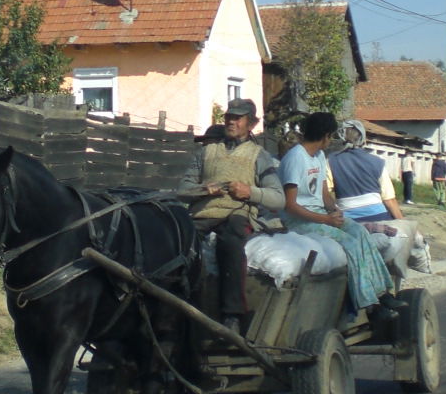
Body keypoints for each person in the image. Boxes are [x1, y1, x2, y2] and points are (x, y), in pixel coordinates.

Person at [279, 111, 393, 326]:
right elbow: (290, 205)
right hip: (300, 221)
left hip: (321, 216)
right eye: (330, 136)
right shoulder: (295, 158)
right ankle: (369, 304)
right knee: (348, 243)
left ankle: (383, 291)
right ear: (325, 136)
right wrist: (325, 220)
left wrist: (335, 210)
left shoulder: (320, 157)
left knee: (360, 232)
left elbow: (323, 193)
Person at [181, 98, 284, 331]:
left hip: (236, 213)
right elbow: (181, 190)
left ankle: (232, 314)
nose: (231, 121)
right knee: (178, 243)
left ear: (251, 124)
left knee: (230, 242)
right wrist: (201, 189)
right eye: (229, 117)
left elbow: (278, 198)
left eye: (237, 118)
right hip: (202, 214)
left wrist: (250, 191)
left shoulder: (259, 155)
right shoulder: (206, 152)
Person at [328, 121, 432, 273]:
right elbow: (389, 200)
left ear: (341, 137)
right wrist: (404, 224)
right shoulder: (377, 162)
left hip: (349, 221)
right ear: (364, 140)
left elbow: (326, 193)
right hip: (379, 217)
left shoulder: (331, 161)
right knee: (400, 237)